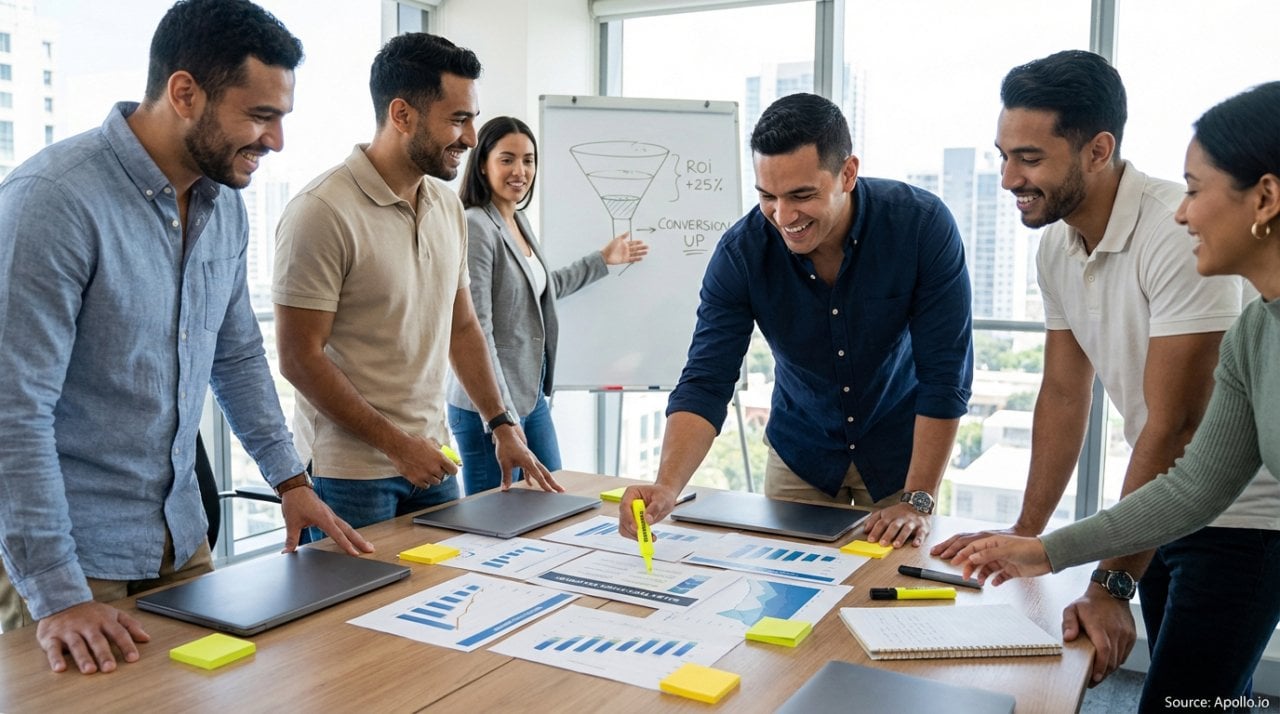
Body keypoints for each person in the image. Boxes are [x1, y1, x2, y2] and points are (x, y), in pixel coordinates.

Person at [0, 0, 372, 675]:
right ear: (184, 93)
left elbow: (236, 355)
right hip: (72, 569)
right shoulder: (53, 201)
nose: (276, 141)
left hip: (183, 544)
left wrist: (290, 479)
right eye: (260, 115)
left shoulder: (223, 206)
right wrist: (57, 593)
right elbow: (13, 410)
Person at [930, 52, 1280, 705]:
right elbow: (1073, 400)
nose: (1008, 178)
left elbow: (1175, 426)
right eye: (1003, 156)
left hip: (1245, 523)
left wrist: (1109, 582)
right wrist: (1029, 538)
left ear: (1098, 150)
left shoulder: (1173, 237)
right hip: (1170, 500)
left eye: (1029, 158)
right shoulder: (1060, 247)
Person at [618, 93, 973, 547]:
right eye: (768, 196)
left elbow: (945, 375)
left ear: (848, 173)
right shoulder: (741, 253)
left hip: (902, 461)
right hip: (801, 456)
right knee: (785, 582)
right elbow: (707, 378)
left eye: (802, 195)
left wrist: (919, 499)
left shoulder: (920, 226)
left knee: (885, 584)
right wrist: (667, 485)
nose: (783, 217)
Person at [273, 34, 559, 542]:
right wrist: (398, 446)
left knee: (449, 590)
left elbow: (462, 326)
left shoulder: (447, 207)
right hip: (349, 475)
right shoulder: (321, 212)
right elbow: (299, 358)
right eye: (457, 119)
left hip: (432, 460)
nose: (471, 138)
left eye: (472, 119)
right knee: (360, 600)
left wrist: (501, 423)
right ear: (402, 115)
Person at [445, 116, 648, 494]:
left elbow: (542, 289)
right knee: (496, 515)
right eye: (507, 159)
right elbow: (477, 328)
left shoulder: (517, 220)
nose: (520, 171)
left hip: (529, 394)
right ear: (483, 164)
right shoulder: (477, 226)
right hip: (487, 407)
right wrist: (501, 417)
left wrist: (602, 260)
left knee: (553, 500)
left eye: (528, 160)